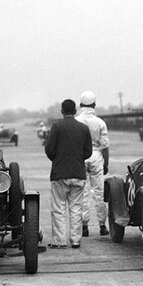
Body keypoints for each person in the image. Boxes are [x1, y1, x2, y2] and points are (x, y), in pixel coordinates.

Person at [44, 99, 92, 248]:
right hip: (78, 173)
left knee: (58, 209)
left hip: (60, 173)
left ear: (62, 111)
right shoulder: (84, 128)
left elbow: (49, 149)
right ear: (75, 110)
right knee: (76, 208)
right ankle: (76, 240)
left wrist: (58, 159)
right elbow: (88, 152)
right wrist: (77, 159)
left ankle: (59, 241)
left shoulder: (57, 127)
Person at [75, 90, 110, 237]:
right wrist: (106, 163)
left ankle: (84, 226)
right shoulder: (100, 122)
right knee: (98, 192)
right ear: (94, 105)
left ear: (81, 104)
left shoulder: (76, 121)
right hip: (96, 156)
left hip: (81, 156)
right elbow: (105, 146)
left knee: (82, 192)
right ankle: (102, 225)